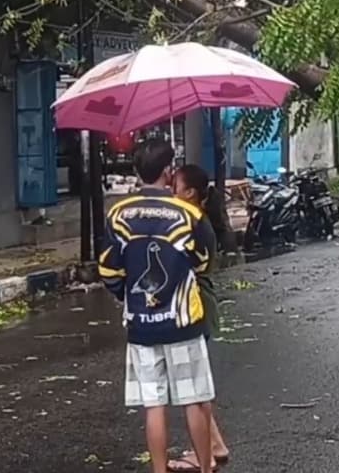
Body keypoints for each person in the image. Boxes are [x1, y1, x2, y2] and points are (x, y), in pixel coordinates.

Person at [99, 139, 217, 473]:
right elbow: (205, 262)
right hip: (183, 321)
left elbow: (109, 270)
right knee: (194, 399)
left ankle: (159, 470)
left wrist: (129, 298)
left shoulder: (117, 213)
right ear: (168, 171)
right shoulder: (190, 213)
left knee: (153, 405)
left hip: (141, 324)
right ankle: (206, 468)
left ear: (137, 171)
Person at [169, 164, 231, 472]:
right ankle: (214, 446)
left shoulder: (194, 224)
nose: (171, 193)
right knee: (194, 384)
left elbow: (184, 265)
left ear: (190, 192)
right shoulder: (197, 221)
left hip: (195, 308)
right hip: (199, 307)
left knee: (194, 388)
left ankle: (204, 455)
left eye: (175, 188)